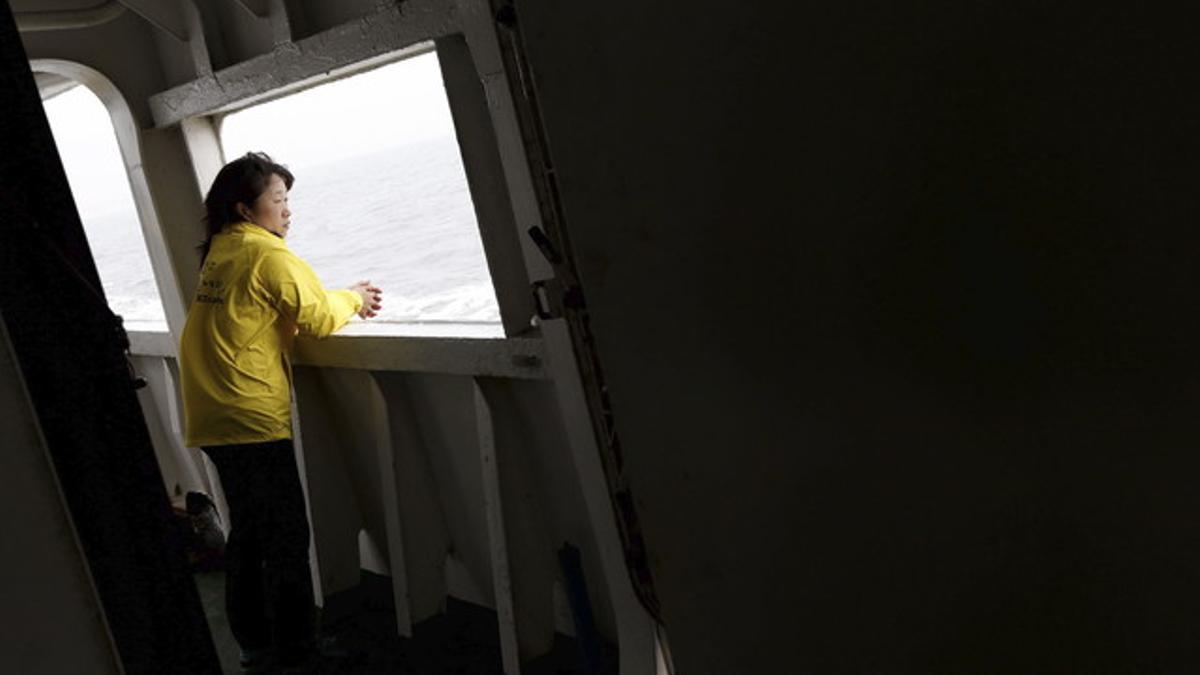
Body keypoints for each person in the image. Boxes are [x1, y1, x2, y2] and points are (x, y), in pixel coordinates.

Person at [178, 152, 381, 671]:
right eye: (279, 200)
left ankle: (254, 642)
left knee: (248, 531)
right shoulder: (267, 256)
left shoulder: (222, 250)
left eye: (287, 200)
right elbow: (314, 316)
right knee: (286, 536)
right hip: (249, 413)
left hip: (212, 410)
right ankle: (298, 649)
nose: (287, 211)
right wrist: (355, 298)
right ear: (248, 209)